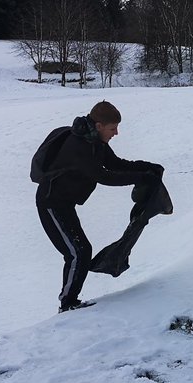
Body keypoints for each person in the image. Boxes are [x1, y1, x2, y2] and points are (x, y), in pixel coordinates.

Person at [33, 101, 162, 313]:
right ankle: (68, 304)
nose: (116, 133)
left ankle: (69, 302)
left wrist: (148, 168)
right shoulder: (79, 145)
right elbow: (103, 176)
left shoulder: (94, 140)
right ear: (99, 125)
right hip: (51, 203)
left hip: (64, 203)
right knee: (78, 252)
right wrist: (142, 177)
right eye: (113, 128)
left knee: (80, 250)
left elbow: (115, 164)